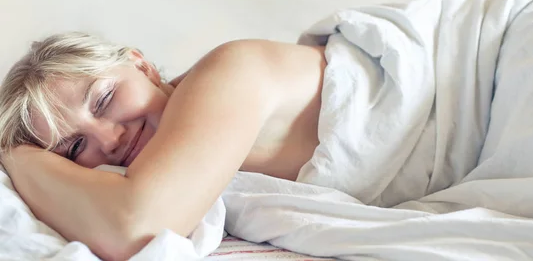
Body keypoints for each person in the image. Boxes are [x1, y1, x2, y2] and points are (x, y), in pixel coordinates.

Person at [0, 32, 326, 261]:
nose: (111, 140)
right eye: (74, 148)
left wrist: (16, 156)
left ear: (142, 66)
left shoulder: (232, 69)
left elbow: (134, 228)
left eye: (104, 99)